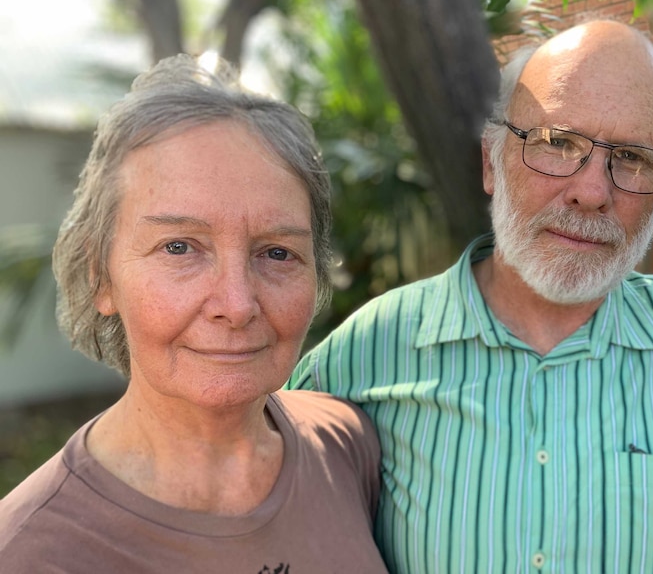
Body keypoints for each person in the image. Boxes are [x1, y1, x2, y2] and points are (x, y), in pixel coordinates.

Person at [286, 19, 653, 573]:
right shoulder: (366, 356)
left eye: (633, 158)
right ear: (492, 162)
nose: (591, 192)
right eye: (558, 143)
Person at [0, 54, 388, 573]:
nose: (237, 305)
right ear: (100, 278)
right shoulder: (32, 552)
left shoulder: (347, 447)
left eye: (277, 253)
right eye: (179, 247)